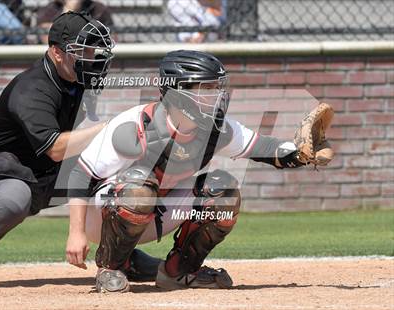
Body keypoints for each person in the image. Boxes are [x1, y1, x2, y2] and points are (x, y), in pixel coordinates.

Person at [65, 50, 333, 293]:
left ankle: (178, 272)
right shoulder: (134, 126)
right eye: (206, 88)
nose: (216, 95)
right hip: (104, 217)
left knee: (223, 191)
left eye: (216, 87)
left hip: (155, 211)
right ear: (178, 92)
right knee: (139, 186)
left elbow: (261, 146)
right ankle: (111, 267)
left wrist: (300, 154)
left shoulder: (215, 129)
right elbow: (80, 174)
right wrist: (75, 233)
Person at [0, 11, 159, 278]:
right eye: (82, 51)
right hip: (1, 171)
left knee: (118, 170)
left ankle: (120, 256)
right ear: (57, 53)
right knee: (15, 198)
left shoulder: (79, 81)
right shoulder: (32, 88)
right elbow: (57, 148)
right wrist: (105, 130)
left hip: (46, 173)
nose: (93, 58)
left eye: (94, 51)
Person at [37, 0, 113, 44]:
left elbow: (112, 38)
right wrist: (69, 11)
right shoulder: (51, 8)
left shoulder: (97, 8)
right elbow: (47, 39)